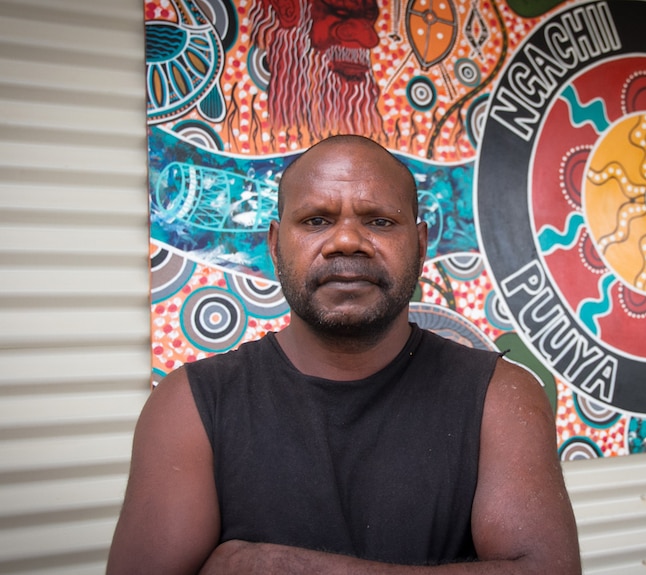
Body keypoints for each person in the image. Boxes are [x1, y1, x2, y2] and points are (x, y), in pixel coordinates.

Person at [107, 135, 581, 574]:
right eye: (316, 220)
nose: (347, 241)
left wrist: (285, 568)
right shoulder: (190, 405)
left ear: (419, 246)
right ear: (275, 245)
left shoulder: (500, 396)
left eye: (379, 220)